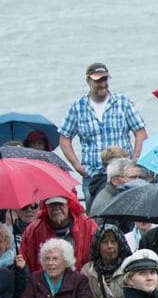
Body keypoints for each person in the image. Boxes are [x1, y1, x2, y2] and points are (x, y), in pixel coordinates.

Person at [59, 62, 147, 203]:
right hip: (93, 175)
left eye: (105, 79)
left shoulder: (123, 103)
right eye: (98, 80)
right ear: (88, 81)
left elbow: (141, 133)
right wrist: (77, 166)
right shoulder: (78, 107)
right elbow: (64, 139)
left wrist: (134, 161)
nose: (102, 84)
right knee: (96, 217)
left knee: (127, 214)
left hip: (122, 174)